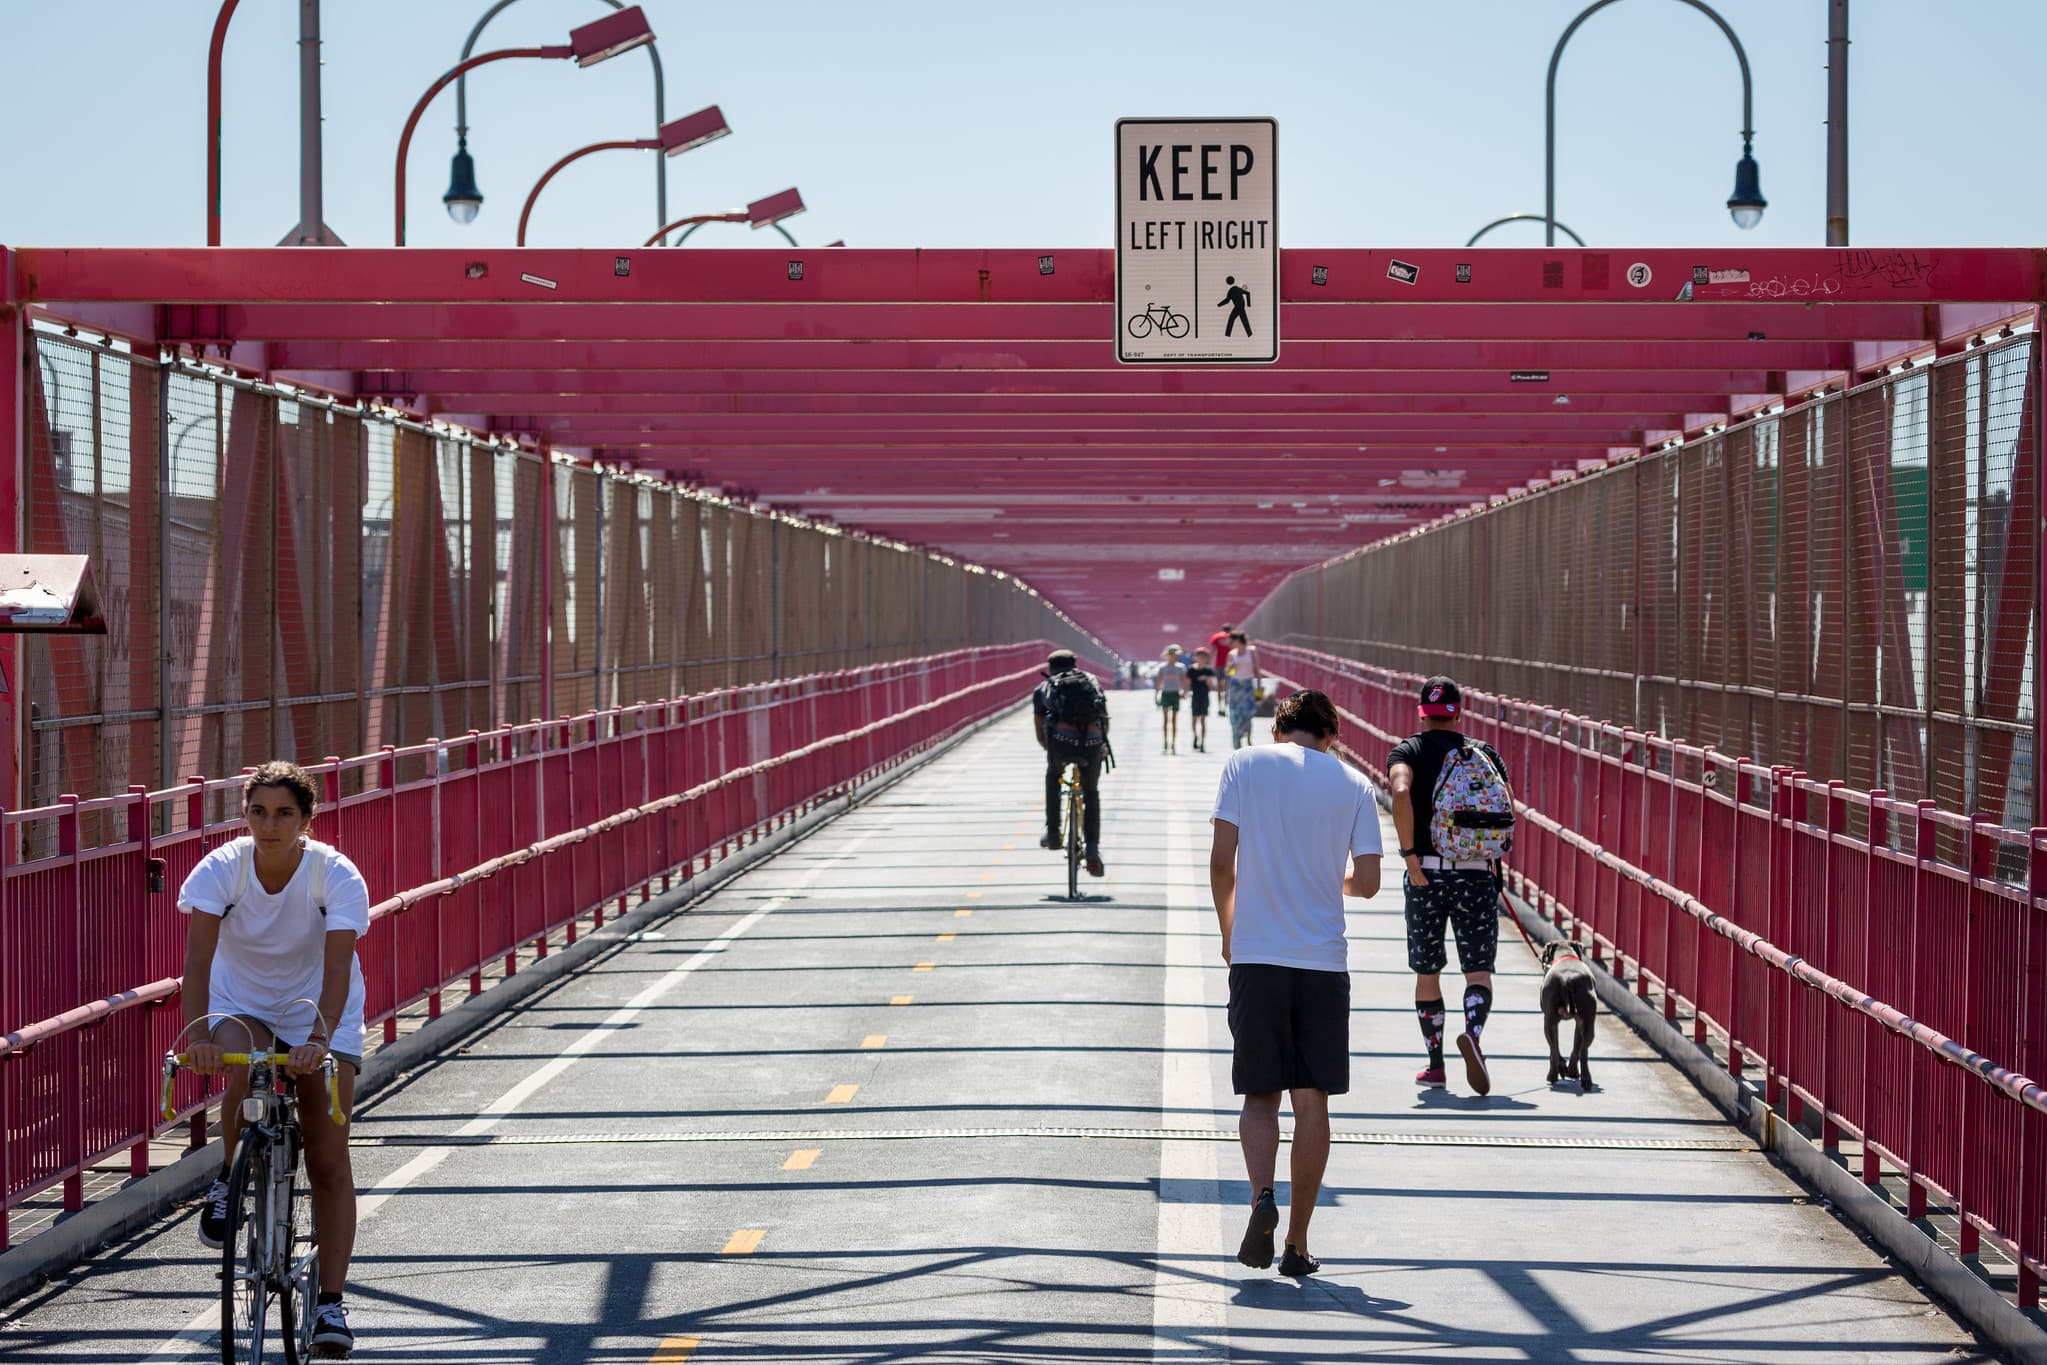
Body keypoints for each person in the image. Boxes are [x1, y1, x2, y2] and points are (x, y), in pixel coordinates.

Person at [181, 761, 371, 1358]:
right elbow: (198, 963)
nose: (270, 825)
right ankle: (228, 1175)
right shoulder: (222, 869)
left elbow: (337, 971)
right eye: (258, 812)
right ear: (245, 815)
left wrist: (320, 1038)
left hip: (320, 1009)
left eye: (284, 813)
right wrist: (195, 1038)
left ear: (307, 820)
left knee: (328, 1154)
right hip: (244, 1002)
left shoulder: (334, 875)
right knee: (244, 1061)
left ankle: (330, 1304)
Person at [1210, 690, 1382, 1278]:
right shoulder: (1355, 785)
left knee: (1261, 1095)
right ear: (1333, 734)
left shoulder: (1245, 763)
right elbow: (1370, 883)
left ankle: (1262, 1197)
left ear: (1280, 728)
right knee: (1312, 1102)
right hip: (1323, 963)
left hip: (1258, 955)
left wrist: (1230, 932)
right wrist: (1325, 879)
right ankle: (1298, 1244)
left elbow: (1221, 861)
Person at [1388, 676, 1514, 1096]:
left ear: (1421, 712)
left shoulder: (1408, 750)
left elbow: (1400, 792)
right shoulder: (1484, 755)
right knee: (1477, 970)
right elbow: (1504, 811)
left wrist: (1408, 854)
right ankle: (1473, 1034)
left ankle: (1436, 1065)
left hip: (1425, 871)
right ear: (1459, 711)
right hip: (1476, 873)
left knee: (1428, 972)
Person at [1033, 648, 1110, 876]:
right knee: (1091, 792)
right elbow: (1103, 718)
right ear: (1075, 664)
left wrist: (1049, 749)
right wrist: (1101, 745)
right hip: (1092, 742)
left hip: (1061, 742)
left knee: (1053, 776)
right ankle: (1093, 849)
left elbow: (1039, 729)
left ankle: (1054, 833)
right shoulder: (1091, 682)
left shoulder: (1044, 687)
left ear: (1051, 667)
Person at [1225, 630, 1261, 749]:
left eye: (1232, 640)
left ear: (1237, 640)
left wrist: (1259, 690)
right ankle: (1237, 739)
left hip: (1247, 685)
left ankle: (1249, 738)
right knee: (1235, 714)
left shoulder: (1251, 651)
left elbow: (1257, 670)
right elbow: (1229, 673)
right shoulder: (1232, 654)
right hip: (1235, 686)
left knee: (1248, 713)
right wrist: (1231, 667)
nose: (1230, 642)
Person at [1155, 644, 1189, 754]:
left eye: (1177, 655)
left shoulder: (1180, 667)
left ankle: (1173, 743)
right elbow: (1159, 681)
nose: (1176, 657)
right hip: (1166, 694)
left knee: (1174, 720)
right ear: (1169, 655)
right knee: (1165, 719)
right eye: (1174, 655)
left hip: (1175, 694)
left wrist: (1184, 692)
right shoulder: (1163, 667)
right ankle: (1165, 741)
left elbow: (1184, 680)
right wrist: (1156, 694)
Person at [1186, 647, 1219, 753]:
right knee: (1194, 719)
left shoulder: (1208, 670)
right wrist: (1185, 692)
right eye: (1199, 656)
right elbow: (1187, 683)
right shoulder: (1191, 669)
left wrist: (1207, 680)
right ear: (1196, 657)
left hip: (1204, 696)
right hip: (1195, 696)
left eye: (1204, 657)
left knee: (1203, 720)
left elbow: (1212, 686)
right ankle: (1196, 736)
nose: (1201, 658)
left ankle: (1203, 742)